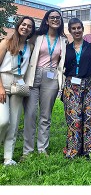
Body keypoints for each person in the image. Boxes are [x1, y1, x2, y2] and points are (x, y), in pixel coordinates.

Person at [23, 9, 68, 158]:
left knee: (45, 115)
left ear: (60, 21)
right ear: (47, 21)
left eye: (58, 17)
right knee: (30, 114)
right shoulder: (36, 37)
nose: (55, 19)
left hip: (52, 77)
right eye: (52, 17)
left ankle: (42, 149)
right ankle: (27, 151)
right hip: (34, 75)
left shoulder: (64, 40)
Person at [0, 16, 35, 166]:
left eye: (29, 26)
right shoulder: (6, 42)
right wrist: (0, 87)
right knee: (3, 121)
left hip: (19, 85)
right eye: (23, 24)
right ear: (18, 25)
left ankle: (8, 157)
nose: (25, 27)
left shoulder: (30, 47)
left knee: (13, 124)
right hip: (4, 82)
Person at [62, 18, 91, 159]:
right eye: (74, 28)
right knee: (73, 118)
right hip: (72, 86)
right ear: (70, 31)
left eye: (79, 28)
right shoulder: (66, 49)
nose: (77, 31)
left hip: (89, 84)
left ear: (83, 29)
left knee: (89, 118)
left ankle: (88, 150)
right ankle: (73, 150)